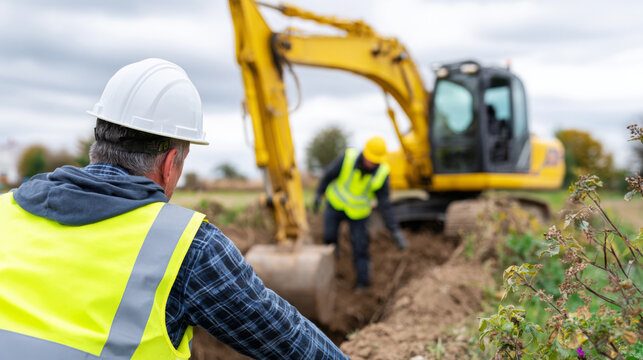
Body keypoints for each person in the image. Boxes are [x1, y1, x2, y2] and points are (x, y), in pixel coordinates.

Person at [0, 58, 348, 359]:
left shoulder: (6, 211)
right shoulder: (187, 248)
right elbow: (290, 341)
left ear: (98, 142)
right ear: (170, 165)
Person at [313, 136, 407, 290]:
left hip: (358, 214)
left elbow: (385, 204)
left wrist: (395, 230)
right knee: (329, 237)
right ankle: (333, 264)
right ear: (364, 153)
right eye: (370, 159)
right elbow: (328, 175)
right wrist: (318, 194)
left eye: (375, 161)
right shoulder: (347, 159)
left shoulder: (382, 173)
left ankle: (363, 284)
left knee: (360, 247)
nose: (372, 164)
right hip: (335, 205)